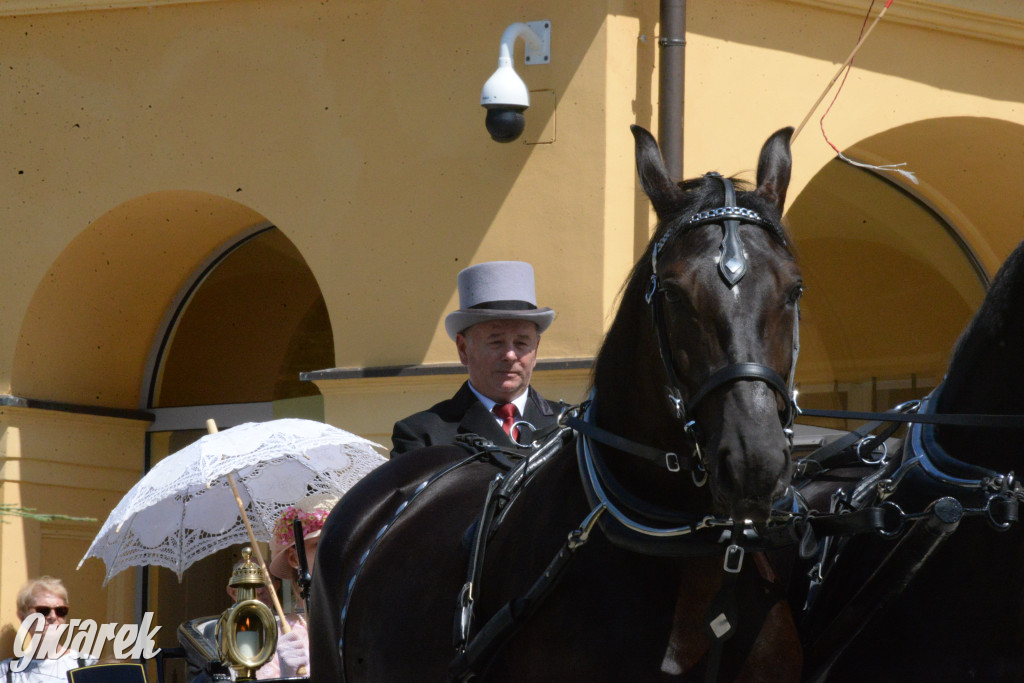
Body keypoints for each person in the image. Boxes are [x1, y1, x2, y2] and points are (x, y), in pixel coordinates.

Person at [390, 261, 562, 457]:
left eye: (521, 343)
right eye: (496, 342)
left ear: (536, 349)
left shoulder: (568, 427)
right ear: (463, 349)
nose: (510, 355)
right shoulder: (422, 435)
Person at [255, 493, 338, 680]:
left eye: (340, 540)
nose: (334, 549)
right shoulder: (277, 636)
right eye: (319, 544)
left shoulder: (363, 620)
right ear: (294, 558)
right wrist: (287, 676)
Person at [0, 576, 98, 682]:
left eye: (60, 610)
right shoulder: (7, 673)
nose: (53, 616)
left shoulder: (88, 665)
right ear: (23, 617)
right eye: (43, 610)